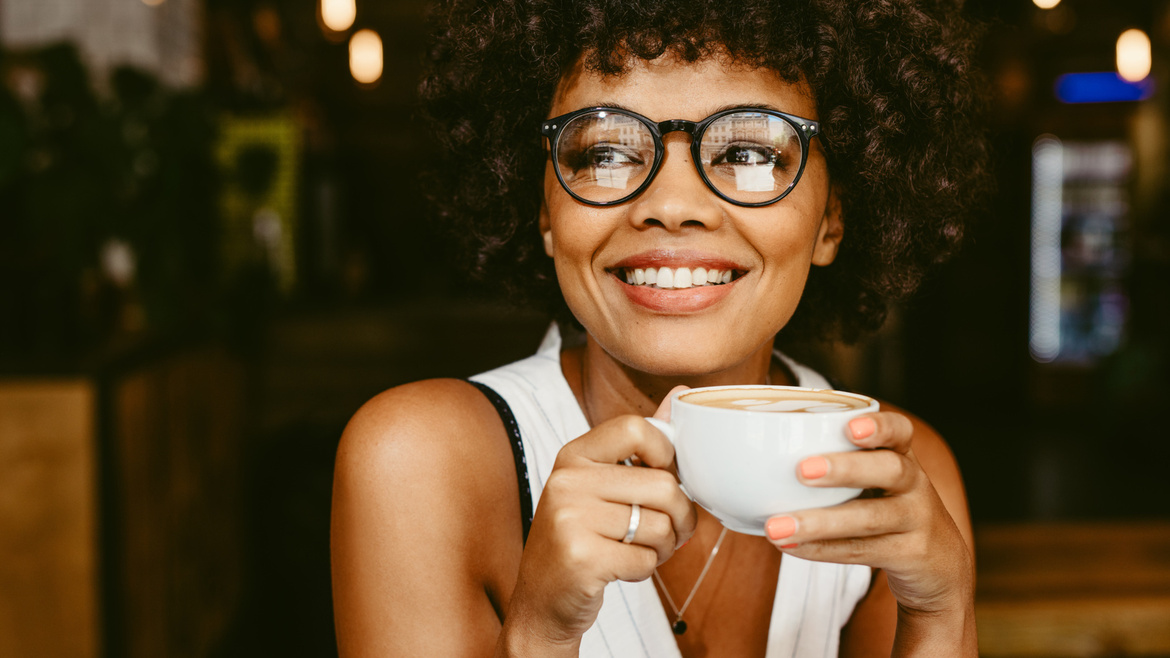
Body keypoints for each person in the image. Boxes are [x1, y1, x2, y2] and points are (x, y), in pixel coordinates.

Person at [331, 0, 990, 655]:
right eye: (606, 152)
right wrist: (541, 636)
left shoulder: (893, 477)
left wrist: (938, 612)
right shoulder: (421, 463)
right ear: (545, 212)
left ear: (831, 221)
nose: (672, 206)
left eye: (751, 151)